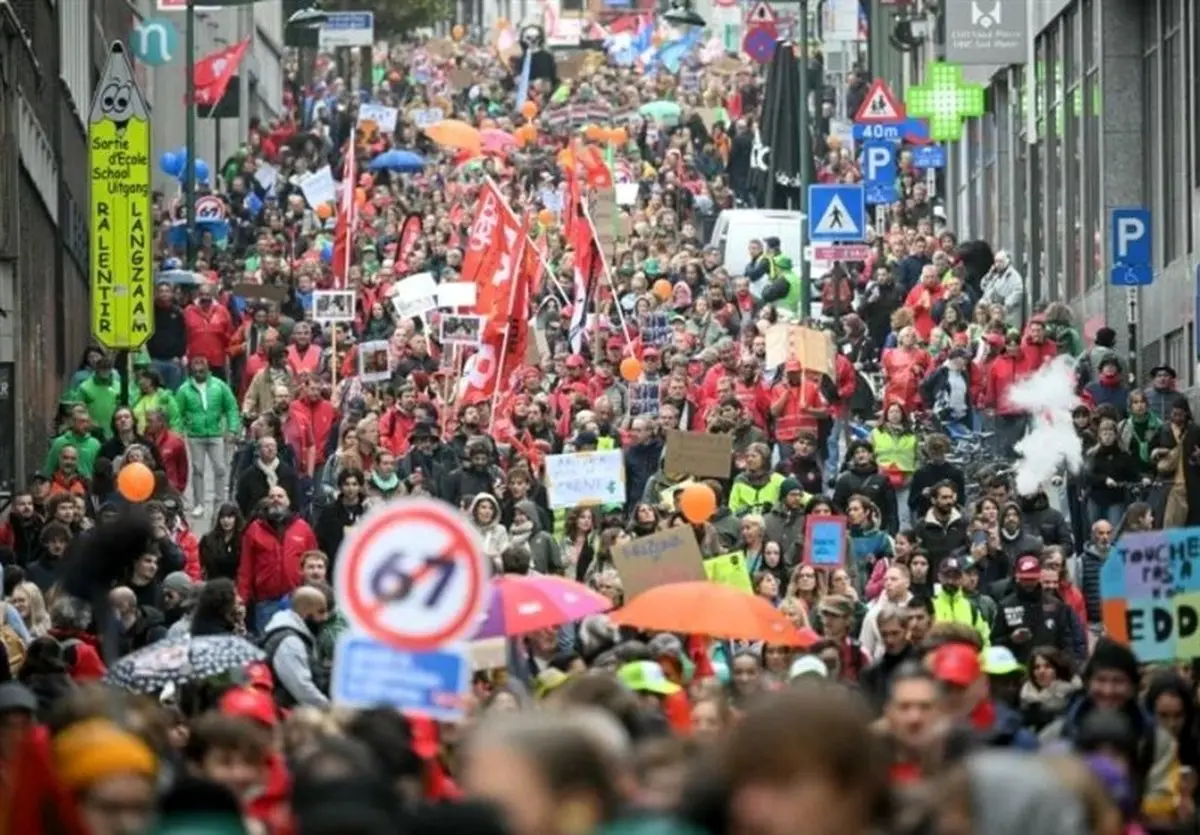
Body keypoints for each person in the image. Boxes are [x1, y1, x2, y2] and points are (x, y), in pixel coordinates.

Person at [1041, 638, 1182, 825]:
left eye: (1118, 682)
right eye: (1101, 680)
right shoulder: (1055, 735)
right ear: (1088, 683)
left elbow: (1161, 802)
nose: (1108, 690)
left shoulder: (1158, 740)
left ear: (1134, 687)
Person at [176, 355, 240, 519]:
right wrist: (178, 433)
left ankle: (219, 503)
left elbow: (231, 408)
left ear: (208, 369)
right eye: (195, 370)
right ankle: (199, 503)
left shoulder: (220, 386)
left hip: (216, 432)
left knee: (220, 468)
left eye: (202, 369)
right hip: (194, 434)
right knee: (197, 469)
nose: (199, 372)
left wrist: (232, 429)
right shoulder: (184, 389)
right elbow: (178, 414)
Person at [261, 585, 329, 708]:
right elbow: (302, 689)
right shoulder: (289, 642)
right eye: (321, 612)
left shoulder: (297, 635)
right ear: (304, 612)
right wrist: (329, 710)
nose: (325, 617)